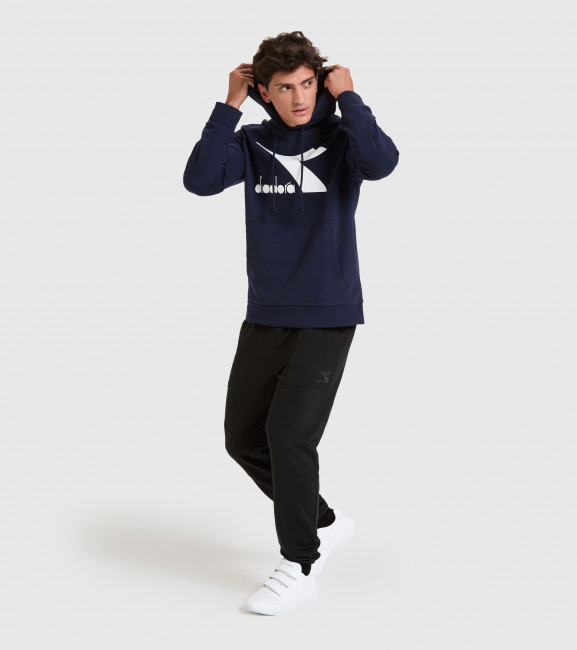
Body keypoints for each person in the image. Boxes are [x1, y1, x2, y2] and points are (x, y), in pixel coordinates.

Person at [183, 31, 399, 615]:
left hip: (327, 313)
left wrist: (348, 96)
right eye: (285, 87)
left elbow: (383, 163)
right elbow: (199, 180)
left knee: (289, 436)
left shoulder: (343, 136)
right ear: (265, 91)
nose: (300, 97)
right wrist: (228, 105)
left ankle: (300, 562)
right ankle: (322, 521)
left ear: (319, 82)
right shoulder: (252, 143)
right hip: (266, 312)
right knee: (242, 438)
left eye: (307, 83)